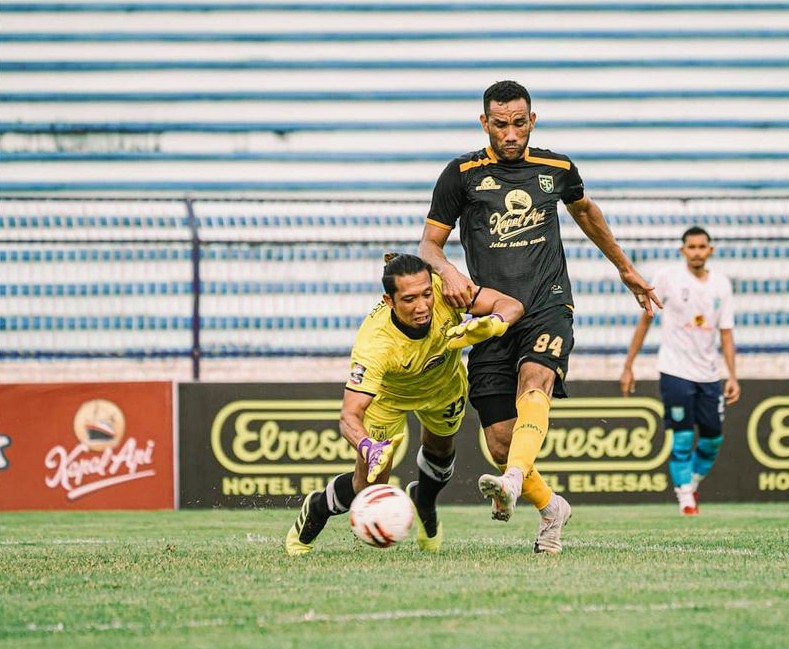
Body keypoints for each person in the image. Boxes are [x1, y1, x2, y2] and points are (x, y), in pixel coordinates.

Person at [418, 80, 661, 553]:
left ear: (532, 120)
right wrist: (447, 271)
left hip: (548, 303)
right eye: (500, 125)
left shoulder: (557, 169)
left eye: (519, 123)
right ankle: (551, 508)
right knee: (500, 442)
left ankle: (512, 481)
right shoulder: (461, 174)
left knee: (536, 380)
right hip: (490, 314)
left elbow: (586, 212)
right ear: (484, 123)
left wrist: (624, 267)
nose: (511, 134)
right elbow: (429, 244)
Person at [285, 252, 524, 555]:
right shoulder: (375, 344)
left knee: (441, 453)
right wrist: (368, 446)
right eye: (410, 299)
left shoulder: (446, 290)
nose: (422, 306)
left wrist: (494, 323)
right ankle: (317, 508)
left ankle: (424, 501)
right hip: (388, 400)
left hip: (443, 387)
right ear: (389, 300)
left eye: (426, 294)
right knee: (367, 487)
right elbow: (349, 416)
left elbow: (512, 305)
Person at [619, 226, 740, 515]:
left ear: (710, 250)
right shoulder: (667, 278)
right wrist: (628, 365)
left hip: (709, 374)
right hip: (675, 370)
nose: (697, 252)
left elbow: (726, 333)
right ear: (682, 250)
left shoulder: (722, 285)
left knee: (713, 438)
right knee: (683, 436)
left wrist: (733, 375)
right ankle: (685, 496)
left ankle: (691, 482)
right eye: (692, 247)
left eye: (702, 247)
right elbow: (646, 319)